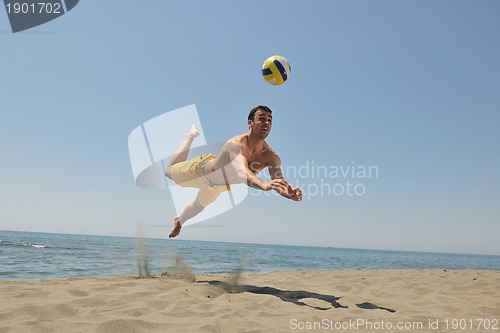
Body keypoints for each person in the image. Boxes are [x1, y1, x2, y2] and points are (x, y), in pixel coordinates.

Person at [165, 105, 302, 238]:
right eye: (262, 118)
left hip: (220, 186)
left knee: (198, 206)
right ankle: (191, 135)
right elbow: (242, 171)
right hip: (199, 172)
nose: (266, 122)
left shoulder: (271, 156)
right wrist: (263, 184)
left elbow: (279, 182)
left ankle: (179, 221)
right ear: (250, 123)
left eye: (269, 120)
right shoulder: (236, 144)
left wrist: (289, 194)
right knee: (169, 172)